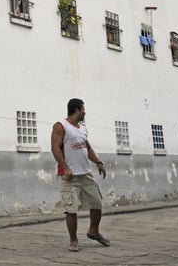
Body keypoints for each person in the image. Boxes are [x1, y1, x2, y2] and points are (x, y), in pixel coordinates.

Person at [50, 98, 109, 252]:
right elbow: (55, 148)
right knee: (71, 209)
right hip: (69, 176)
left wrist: (98, 162)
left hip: (86, 174)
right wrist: (66, 167)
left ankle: (94, 231)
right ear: (76, 110)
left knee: (96, 204)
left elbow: (87, 148)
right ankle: (73, 240)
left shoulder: (82, 128)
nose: (84, 112)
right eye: (83, 109)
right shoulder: (60, 126)